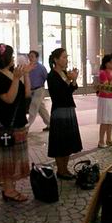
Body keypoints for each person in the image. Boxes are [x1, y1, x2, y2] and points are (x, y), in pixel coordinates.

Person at [0, 44, 33, 202]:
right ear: (4, 58)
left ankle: (10, 188)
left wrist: (25, 75)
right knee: (8, 159)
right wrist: (16, 78)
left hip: (18, 121)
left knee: (14, 158)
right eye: (11, 55)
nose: (14, 58)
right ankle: (8, 190)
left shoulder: (10, 72)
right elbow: (9, 98)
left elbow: (26, 93)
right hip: (6, 124)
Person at [46, 48, 83, 179]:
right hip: (59, 111)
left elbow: (70, 90)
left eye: (67, 57)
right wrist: (69, 80)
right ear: (56, 60)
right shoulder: (52, 75)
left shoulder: (63, 72)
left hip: (68, 109)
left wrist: (73, 80)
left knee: (68, 140)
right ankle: (61, 170)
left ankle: (65, 169)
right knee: (60, 141)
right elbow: (59, 94)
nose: (66, 60)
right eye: (64, 57)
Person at [97, 54, 112, 148]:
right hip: (105, 98)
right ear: (106, 63)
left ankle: (109, 139)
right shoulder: (103, 72)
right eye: (110, 62)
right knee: (105, 120)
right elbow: (108, 87)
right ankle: (101, 141)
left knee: (110, 120)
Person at [26, 50, 51, 131]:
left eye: (32, 56)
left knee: (33, 108)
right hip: (31, 90)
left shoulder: (41, 68)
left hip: (39, 89)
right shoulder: (27, 67)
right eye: (29, 56)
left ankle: (26, 128)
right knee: (41, 109)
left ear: (37, 58)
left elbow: (46, 78)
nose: (30, 58)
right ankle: (50, 124)